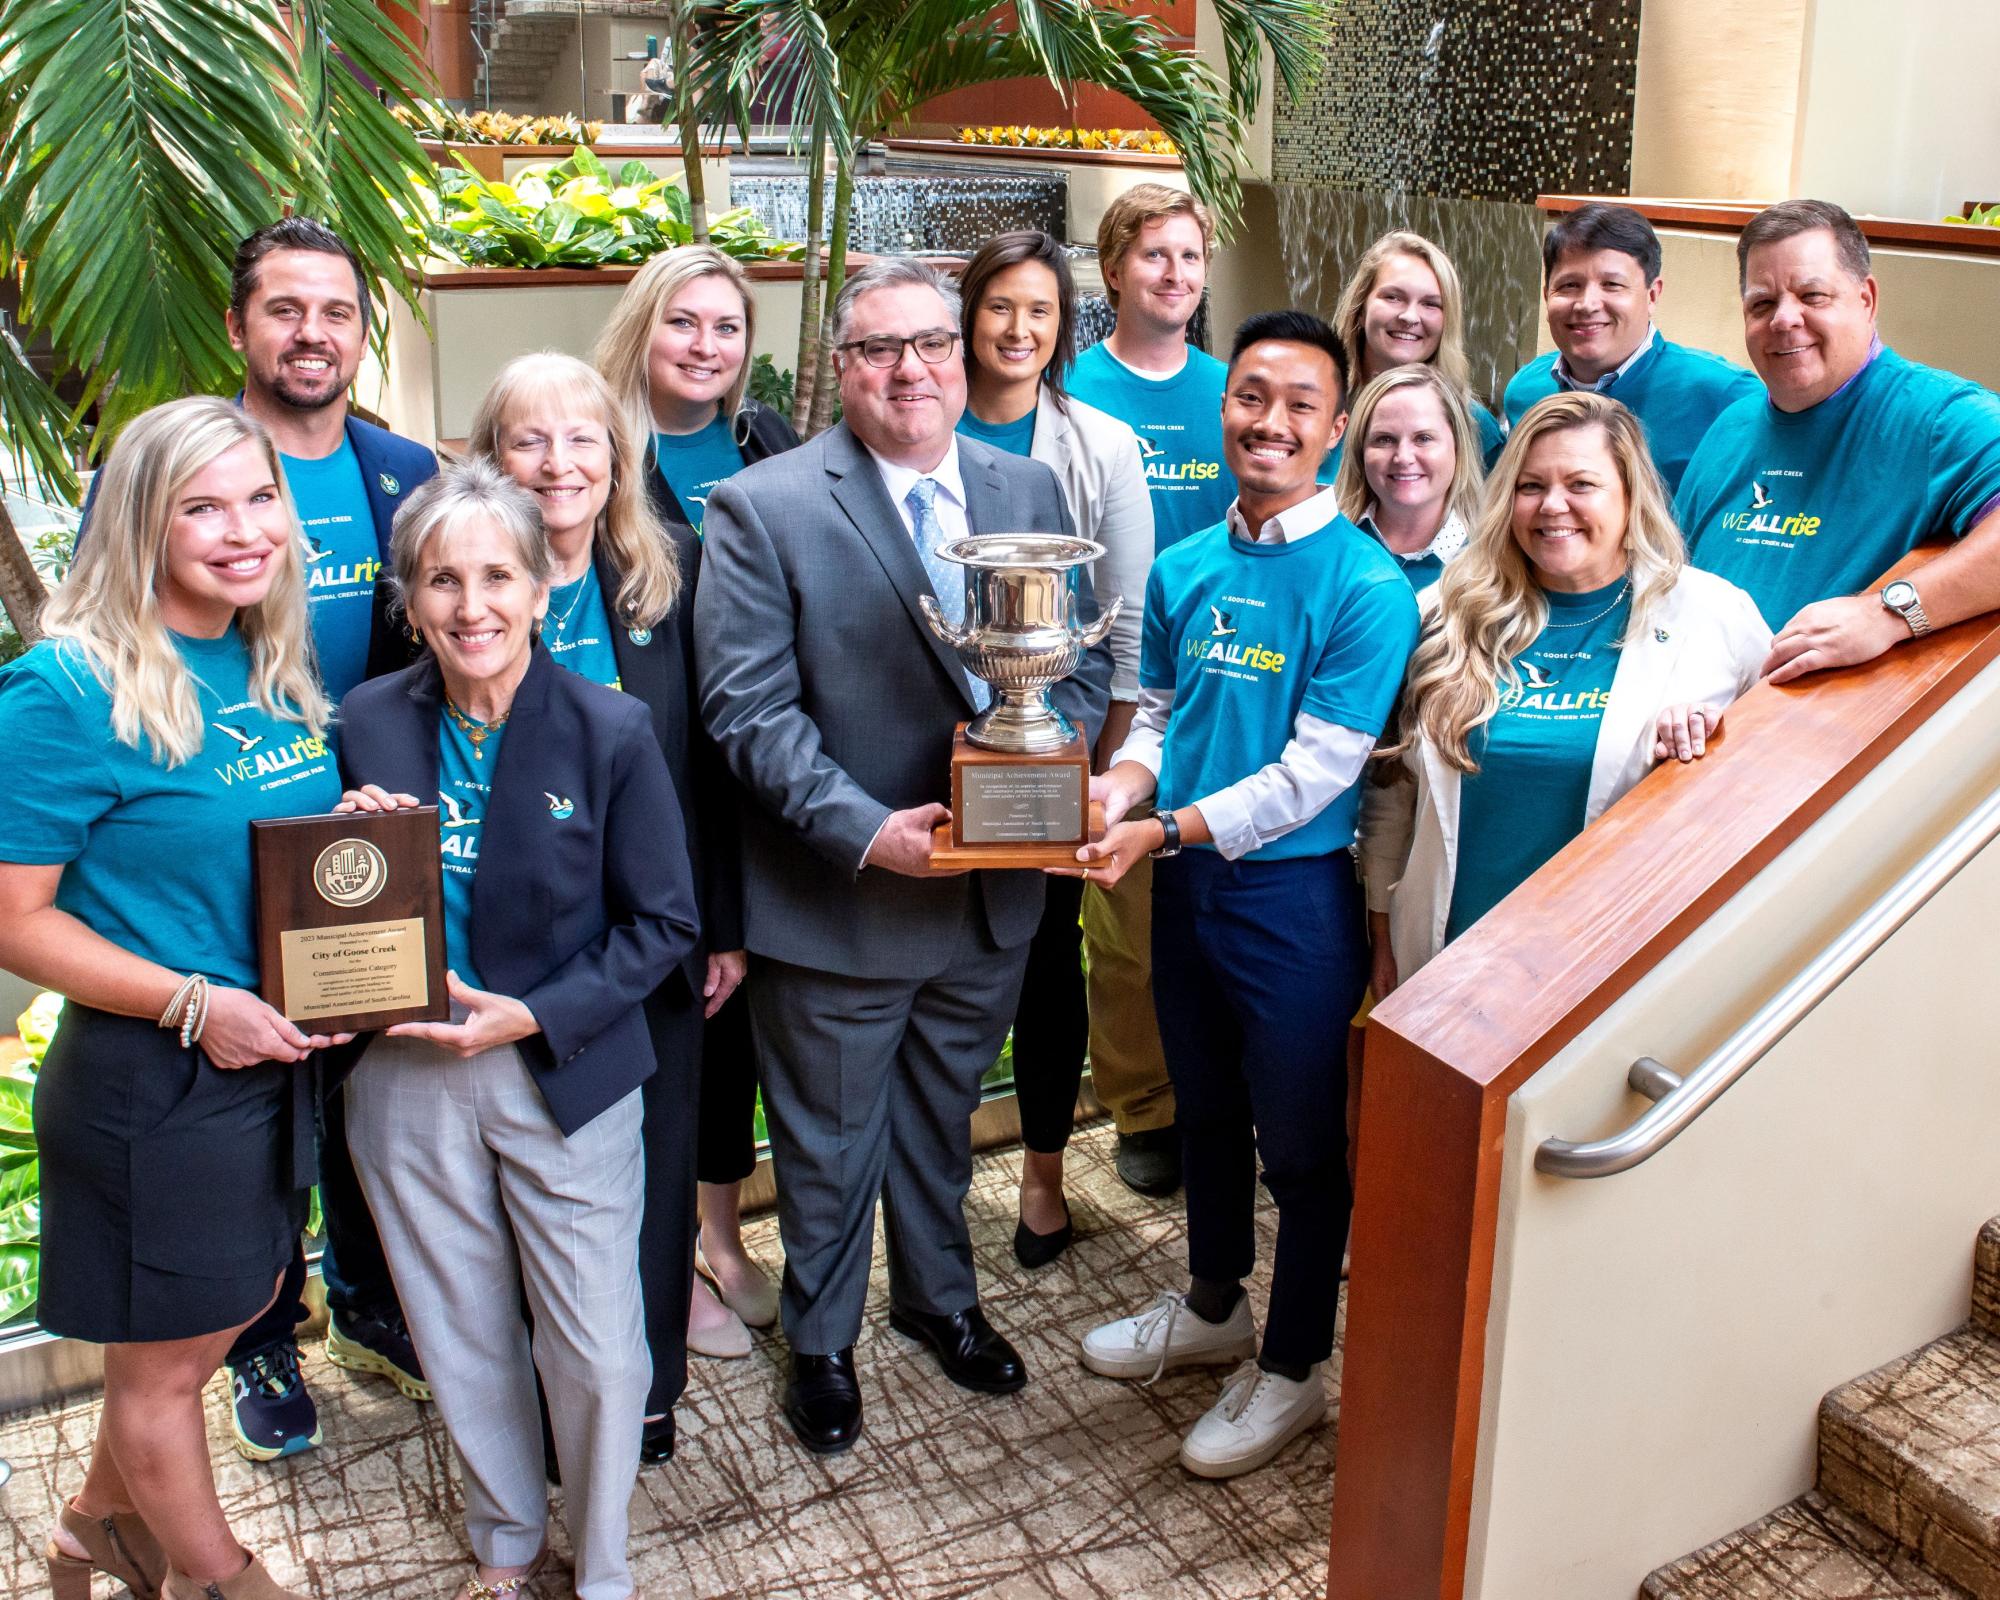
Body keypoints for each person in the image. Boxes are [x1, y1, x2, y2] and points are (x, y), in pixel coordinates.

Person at [695, 257, 1113, 1456]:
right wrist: (866, 832)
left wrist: (1050, 768)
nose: (910, 369)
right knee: (828, 1146)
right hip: (842, 900)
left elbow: (1079, 658)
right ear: (840, 368)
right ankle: (822, 1341)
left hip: (988, 899)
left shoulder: (1023, 482)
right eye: (878, 348)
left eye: (930, 342)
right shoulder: (763, 506)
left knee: (940, 1120)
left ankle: (938, 1300)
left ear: (959, 354)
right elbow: (747, 715)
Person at [334, 460, 698, 1600]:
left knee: (596, 1344)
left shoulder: (611, 727)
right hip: (406, 1072)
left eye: (497, 576)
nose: (471, 605)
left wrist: (536, 1013)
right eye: (443, 580)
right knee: (460, 1327)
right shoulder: (365, 723)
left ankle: (601, 1563)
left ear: (543, 588)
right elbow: (324, 908)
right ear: (410, 600)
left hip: (563, 1068)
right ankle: (504, 1538)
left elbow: (667, 923)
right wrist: (339, 844)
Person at [0, 397, 343, 1600]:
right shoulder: (64, 688)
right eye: (203, 507)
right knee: (159, 1371)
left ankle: (98, 1523)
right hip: (153, 1077)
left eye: (259, 499)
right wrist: (197, 1006)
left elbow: (250, 849)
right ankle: (223, 1580)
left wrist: (346, 833)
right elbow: (15, 918)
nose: (243, 530)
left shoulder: (263, 654)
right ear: (142, 523)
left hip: (264, 1056)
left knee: (237, 1302)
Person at [1066, 311, 1417, 1479]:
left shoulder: (1366, 585)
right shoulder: (1182, 568)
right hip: (1183, 887)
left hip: (1290, 901)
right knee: (1203, 1110)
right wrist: (1117, 790)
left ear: (1335, 427)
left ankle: (1293, 1364)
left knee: (1302, 1147)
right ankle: (1213, 1303)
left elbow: (1316, 772)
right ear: (1223, 408)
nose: (1269, 422)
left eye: (1298, 405)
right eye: (1250, 397)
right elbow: (1159, 718)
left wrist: (1160, 825)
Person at [469, 352, 740, 1466]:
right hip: (507, 947)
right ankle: (539, 1398)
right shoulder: (460, 584)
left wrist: (723, 924)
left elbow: (710, 759)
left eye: (582, 438)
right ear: (491, 460)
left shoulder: (666, 572)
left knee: (657, 1168)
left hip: (650, 937)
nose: (558, 464)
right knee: (525, 1186)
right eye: (528, 440)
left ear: (616, 457)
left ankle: (647, 1386)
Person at [220, 218, 439, 1461]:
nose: (313, 334)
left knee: (369, 1083)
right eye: (285, 309)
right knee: (254, 1106)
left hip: (366, 839)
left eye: (337, 312)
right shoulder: (181, 458)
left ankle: (365, 1303)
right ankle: (259, 1336)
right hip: (229, 831)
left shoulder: (403, 468)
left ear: (363, 331)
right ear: (239, 325)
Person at [1360, 391, 1770, 988]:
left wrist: (1719, 739)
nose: (1553, 506)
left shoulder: (1714, 616)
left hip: (1618, 965)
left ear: (1630, 495)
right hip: (1450, 960)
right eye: (1530, 486)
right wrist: (1382, 934)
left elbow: (1773, 777)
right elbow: (1392, 796)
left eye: (1582, 484)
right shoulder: (1443, 613)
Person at [595, 244, 797, 1355]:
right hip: (661, 778)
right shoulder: (601, 452)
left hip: (763, 780)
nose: (705, 346)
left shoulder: (765, 440)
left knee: (737, 1034)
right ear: (643, 327)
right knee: (672, 1029)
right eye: (683, 322)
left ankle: (722, 1231)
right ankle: (659, 1259)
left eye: (726, 328)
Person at [955, 229, 1157, 1267]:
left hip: (1054, 742)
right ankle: (932, 1173)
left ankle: (1041, 1174)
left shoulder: (1101, 445)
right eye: (999, 306)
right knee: (941, 968)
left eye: (1039, 310)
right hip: (934, 741)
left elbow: (1125, 628)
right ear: (967, 316)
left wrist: (1100, 770)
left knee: (1043, 962)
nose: (1018, 328)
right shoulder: (918, 422)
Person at [1060, 180, 1218, 1196]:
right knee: (1123, 924)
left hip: (1223, 681)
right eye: (1154, 254)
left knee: (1213, 903)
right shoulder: (1070, 389)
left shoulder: (1231, 388)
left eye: (1189, 257)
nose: (1173, 274)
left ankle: (1222, 1089)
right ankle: (1143, 1104)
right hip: (1110, 688)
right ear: (1113, 268)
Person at [1678, 199, 2000, 680]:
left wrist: (1887, 614)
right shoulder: (1731, 426)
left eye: (1812, 296)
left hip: (1816, 716)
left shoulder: (1939, 417)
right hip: (1691, 709)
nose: (1784, 319)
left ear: (1866, 299)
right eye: (1762, 304)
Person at [1502, 202, 1758, 494]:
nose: (1587, 304)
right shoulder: (1526, 391)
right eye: (1569, 285)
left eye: (1612, 284)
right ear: (1547, 295)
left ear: (1652, 295)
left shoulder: (1724, 396)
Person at [1329, 230, 1505, 478]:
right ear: (1360, 309)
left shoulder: (1475, 424)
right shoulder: (1318, 407)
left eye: (1430, 304)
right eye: (1393, 297)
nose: (1410, 317)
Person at [1334, 364, 1484, 592]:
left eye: (1423, 438)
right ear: (1360, 450)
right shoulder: (1330, 547)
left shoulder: (1493, 560)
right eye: (1384, 439)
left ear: (1458, 446)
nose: (1403, 457)